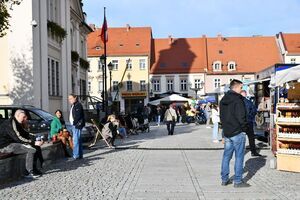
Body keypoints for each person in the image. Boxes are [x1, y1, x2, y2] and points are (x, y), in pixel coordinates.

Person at [220, 79, 250, 188]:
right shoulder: (238, 100)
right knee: (239, 157)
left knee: (226, 157)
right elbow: (241, 116)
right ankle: (237, 181)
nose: (242, 89)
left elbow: (222, 117)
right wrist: (244, 129)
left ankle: (224, 179)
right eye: (241, 87)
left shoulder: (223, 99)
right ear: (236, 87)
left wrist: (224, 131)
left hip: (227, 132)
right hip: (237, 132)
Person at [0, 110, 44, 178]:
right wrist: (33, 142)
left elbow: (25, 133)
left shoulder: (17, 122)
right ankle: (29, 172)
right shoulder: (11, 123)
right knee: (31, 149)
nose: (25, 118)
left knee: (36, 147)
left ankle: (35, 168)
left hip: (13, 143)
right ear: (17, 116)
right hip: (5, 146)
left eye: (25, 117)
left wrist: (36, 138)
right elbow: (18, 138)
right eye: (23, 117)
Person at [240, 90, 262, 157]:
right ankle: (253, 152)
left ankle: (240, 153)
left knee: (241, 139)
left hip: (240, 123)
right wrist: (251, 117)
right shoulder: (249, 102)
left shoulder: (237, 103)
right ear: (245, 94)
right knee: (251, 138)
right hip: (249, 122)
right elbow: (254, 111)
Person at [68, 94, 85, 160]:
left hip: (77, 125)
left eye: (71, 98)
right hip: (75, 125)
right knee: (78, 140)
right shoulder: (74, 105)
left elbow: (78, 115)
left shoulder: (78, 105)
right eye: (69, 99)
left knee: (76, 140)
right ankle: (79, 155)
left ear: (75, 98)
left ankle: (76, 155)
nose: (70, 100)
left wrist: (74, 123)